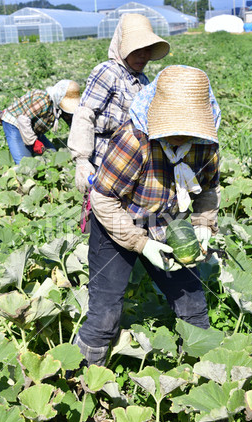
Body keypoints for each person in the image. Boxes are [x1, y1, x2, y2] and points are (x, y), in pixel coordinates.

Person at [73, 65, 222, 367]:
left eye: (189, 128)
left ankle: (207, 377)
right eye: (175, 127)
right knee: (105, 316)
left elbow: (209, 188)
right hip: (117, 223)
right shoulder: (132, 139)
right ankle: (81, 378)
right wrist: (141, 244)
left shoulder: (205, 144)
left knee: (194, 307)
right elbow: (103, 199)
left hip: (168, 223)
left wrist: (204, 223)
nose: (181, 135)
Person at [67, 13, 170, 195]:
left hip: (131, 162)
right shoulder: (107, 72)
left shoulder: (143, 80)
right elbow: (84, 114)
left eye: (147, 50)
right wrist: (82, 160)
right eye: (137, 50)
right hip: (103, 160)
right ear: (122, 47)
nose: (143, 56)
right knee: (103, 212)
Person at [0, 80, 80, 164]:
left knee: (52, 155)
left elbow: (72, 124)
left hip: (33, 128)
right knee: (24, 163)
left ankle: (30, 145)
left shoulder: (61, 106)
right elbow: (22, 120)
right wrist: (33, 142)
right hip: (15, 124)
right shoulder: (43, 100)